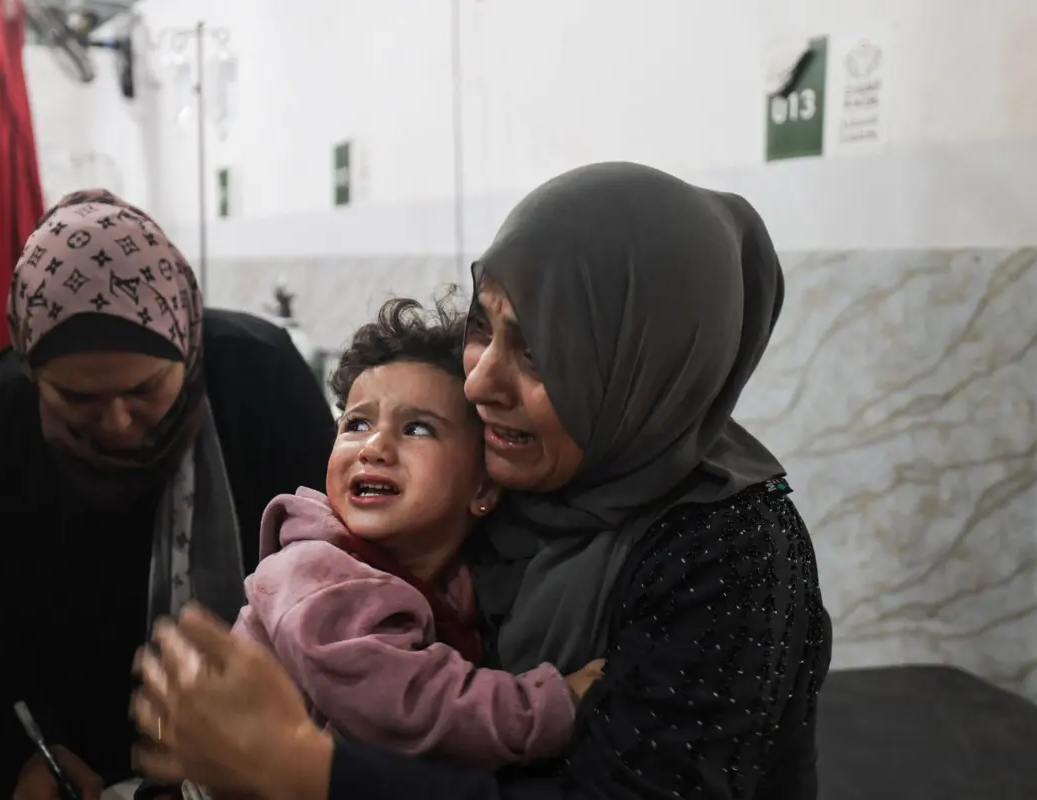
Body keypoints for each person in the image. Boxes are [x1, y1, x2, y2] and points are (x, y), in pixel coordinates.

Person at [129, 162, 833, 799]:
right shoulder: (512, 478)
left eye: (538, 352)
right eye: (481, 328)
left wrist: (309, 771)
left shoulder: (731, 552)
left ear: (641, 366)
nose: (479, 381)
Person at [0, 190, 336, 800]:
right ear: (33, 374)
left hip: (266, 750)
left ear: (187, 347)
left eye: (144, 390)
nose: (117, 422)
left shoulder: (259, 379)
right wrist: (23, 755)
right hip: (76, 761)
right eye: (78, 400)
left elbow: (334, 565)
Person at [231, 297, 605, 774]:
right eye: (357, 423)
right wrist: (554, 703)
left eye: (417, 429)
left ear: (483, 488)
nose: (374, 447)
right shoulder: (316, 575)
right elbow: (407, 709)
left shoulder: (464, 579)